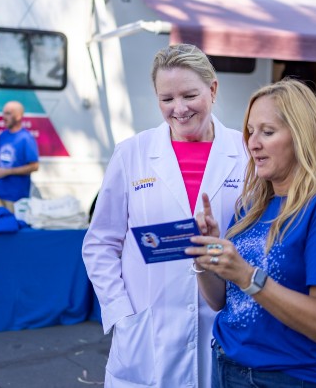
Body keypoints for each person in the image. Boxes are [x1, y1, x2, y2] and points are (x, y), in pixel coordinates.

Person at [186, 79, 316, 387]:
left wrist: (247, 275)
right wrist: (206, 260)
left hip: (282, 378)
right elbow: (220, 301)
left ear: (301, 137)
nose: (252, 143)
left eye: (267, 132)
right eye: (250, 131)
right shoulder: (251, 207)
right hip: (224, 367)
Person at [82, 44, 246, 387]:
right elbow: (100, 242)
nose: (179, 109)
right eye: (166, 99)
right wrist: (121, 312)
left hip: (223, 324)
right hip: (147, 329)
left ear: (213, 89)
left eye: (189, 95)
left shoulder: (245, 153)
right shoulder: (132, 154)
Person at [0, 101, 39, 211]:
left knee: (12, 227)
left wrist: (7, 172)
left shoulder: (26, 138)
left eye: (8, 113)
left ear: (18, 116)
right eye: (3, 113)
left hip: (16, 197)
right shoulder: (3, 135)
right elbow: (5, 162)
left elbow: (34, 166)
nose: (4, 117)